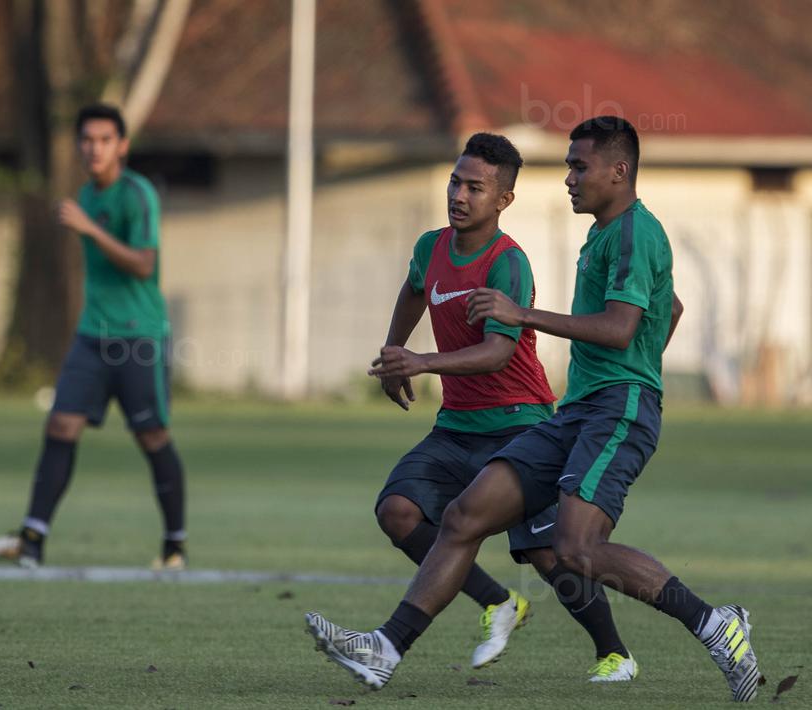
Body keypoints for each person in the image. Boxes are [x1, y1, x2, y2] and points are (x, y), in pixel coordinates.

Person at [306, 117, 761, 703]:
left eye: (579, 166)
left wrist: (540, 325)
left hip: (616, 409)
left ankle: (712, 623)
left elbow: (621, 330)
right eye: (568, 165)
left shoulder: (632, 233)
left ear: (619, 171)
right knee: (465, 515)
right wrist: (642, 357)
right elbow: (665, 304)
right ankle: (385, 650)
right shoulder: (605, 234)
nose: (568, 178)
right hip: (579, 409)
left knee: (574, 550)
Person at [307, 133, 634, 681]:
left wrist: (422, 362)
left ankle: (615, 652)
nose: (459, 195)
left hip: (520, 426)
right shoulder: (430, 247)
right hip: (456, 427)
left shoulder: (509, 265)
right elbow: (415, 289)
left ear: (503, 199)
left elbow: (496, 352)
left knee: (549, 557)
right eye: (455, 182)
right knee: (398, 512)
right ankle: (498, 602)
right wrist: (394, 353)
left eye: (474, 187)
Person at [0, 104, 187, 570]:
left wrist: (89, 229)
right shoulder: (85, 196)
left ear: (122, 146)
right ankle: (32, 540)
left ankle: (174, 545)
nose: (94, 148)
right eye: (87, 140)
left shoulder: (136, 195)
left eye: (105, 139)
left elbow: (144, 264)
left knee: (152, 435)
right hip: (92, 334)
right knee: (60, 426)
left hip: (138, 336)